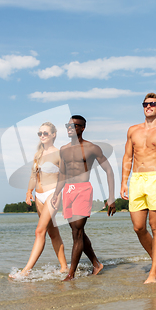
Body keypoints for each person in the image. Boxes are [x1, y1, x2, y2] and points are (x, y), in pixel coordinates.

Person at [51, 115, 116, 281]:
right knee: (76, 231)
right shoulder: (64, 149)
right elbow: (63, 173)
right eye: (68, 125)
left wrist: (111, 198)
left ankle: (71, 274)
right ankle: (96, 264)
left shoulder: (91, 148)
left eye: (74, 125)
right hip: (68, 190)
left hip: (83, 190)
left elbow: (108, 170)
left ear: (82, 128)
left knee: (77, 232)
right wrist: (56, 193)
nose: (69, 128)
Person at [121, 93, 156, 284]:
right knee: (138, 227)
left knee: (155, 225)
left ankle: (153, 272)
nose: (149, 106)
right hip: (136, 179)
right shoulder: (133, 130)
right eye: (146, 104)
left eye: (153, 104)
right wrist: (123, 182)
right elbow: (128, 157)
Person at [9, 122, 68, 279]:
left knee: (39, 231)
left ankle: (26, 271)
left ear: (53, 135)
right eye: (40, 133)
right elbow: (33, 176)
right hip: (38, 196)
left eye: (45, 133)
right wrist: (29, 191)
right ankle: (64, 267)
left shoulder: (59, 153)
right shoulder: (38, 154)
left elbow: (64, 176)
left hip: (52, 194)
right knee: (52, 232)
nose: (42, 136)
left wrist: (57, 193)